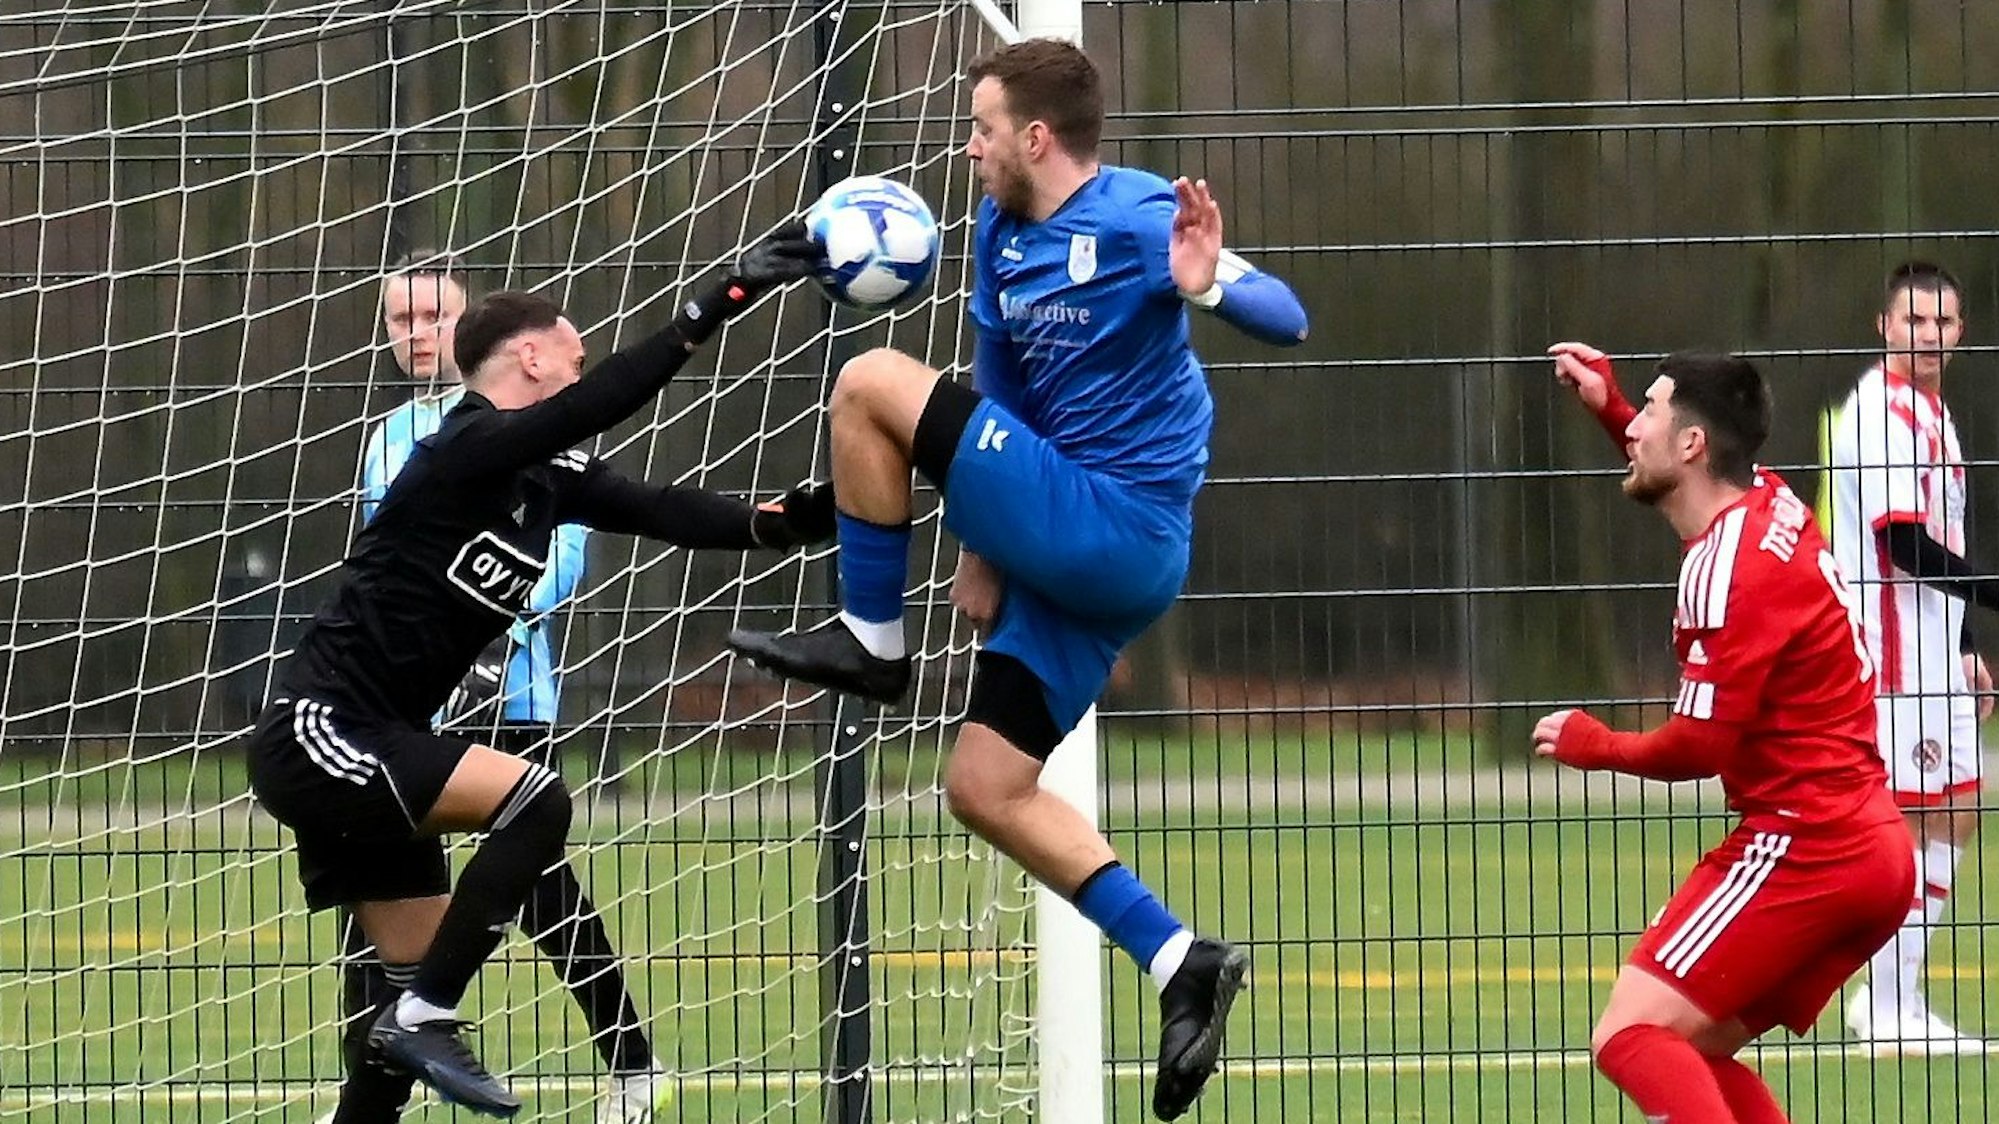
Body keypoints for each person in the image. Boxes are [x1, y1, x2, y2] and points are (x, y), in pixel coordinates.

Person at [725, 38, 1308, 1122]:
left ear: (1036, 138)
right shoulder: (997, 226)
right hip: (1074, 544)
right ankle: (1182, 958)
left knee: (867, 382)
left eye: (983, 127)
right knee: (984, 788)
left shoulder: (1138, 219)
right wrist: (980, 547)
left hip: (1115, 524)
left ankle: (871, 640)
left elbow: (1289, 314)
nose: (968, 146)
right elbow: (1000, 379)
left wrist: (1209, 285)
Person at [248, 226, 829, 1120]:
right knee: (535, 802)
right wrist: (717, 303)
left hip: (380, 737)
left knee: (397, 1007)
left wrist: (781, 523)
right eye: (573, 348)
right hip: (321, 733)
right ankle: (427, 1013)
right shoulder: (462, 445)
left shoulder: (548, 473)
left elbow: (664, 509)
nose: (582, 359)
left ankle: (410, 1026)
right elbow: (595, 404)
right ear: (529, 353)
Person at [1539, 342, 1914, 1123]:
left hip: (1808, 844)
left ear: (1693, 443)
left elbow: (1697, 747)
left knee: (1628, 1033)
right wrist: (1609, 407)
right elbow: (1686, 487)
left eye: (1648, 409)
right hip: (1866, 847)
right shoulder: (1769, 499)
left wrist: (1591, 743)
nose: (1635, 424)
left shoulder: (1729, 570)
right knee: (1691, 1046)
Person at [352, 251, 663, 1121]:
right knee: (375, 896)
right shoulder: (387, 437)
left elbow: (561, 552)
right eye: (398, 321)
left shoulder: (531, 424)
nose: (415, 336)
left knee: (544, 891)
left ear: (470, 327)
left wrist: (488, 632)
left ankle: (632, 1063)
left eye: (431, 318)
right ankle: (372, 1093)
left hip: (508, 697)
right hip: (408, 708)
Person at [1821, 261, 1989, 1053]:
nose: (1928, 335)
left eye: (1943, 323)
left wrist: (1963, 644)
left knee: (1955, 809)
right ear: (1882, 326)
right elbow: (1902, 544)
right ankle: (1884, 1007)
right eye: (1913, 321)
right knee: (1903, 821)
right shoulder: (1879, 411)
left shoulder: (1932, 411)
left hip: (1930, 654)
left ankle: (1893, 996)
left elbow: (1942, 531)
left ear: (1960, 331)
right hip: (1890, 658)